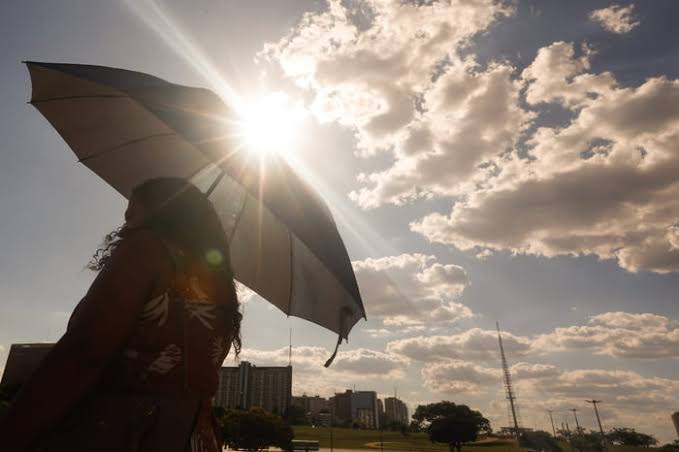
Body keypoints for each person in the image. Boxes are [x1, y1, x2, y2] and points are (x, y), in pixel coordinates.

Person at [0, 177, 241, 451]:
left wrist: (11, 433)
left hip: (121, 430)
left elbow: (84, 352)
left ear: (162, 210)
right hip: (193, 437)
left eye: (131, 212)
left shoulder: (146, 249)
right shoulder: (223, 289)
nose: (126, 221)